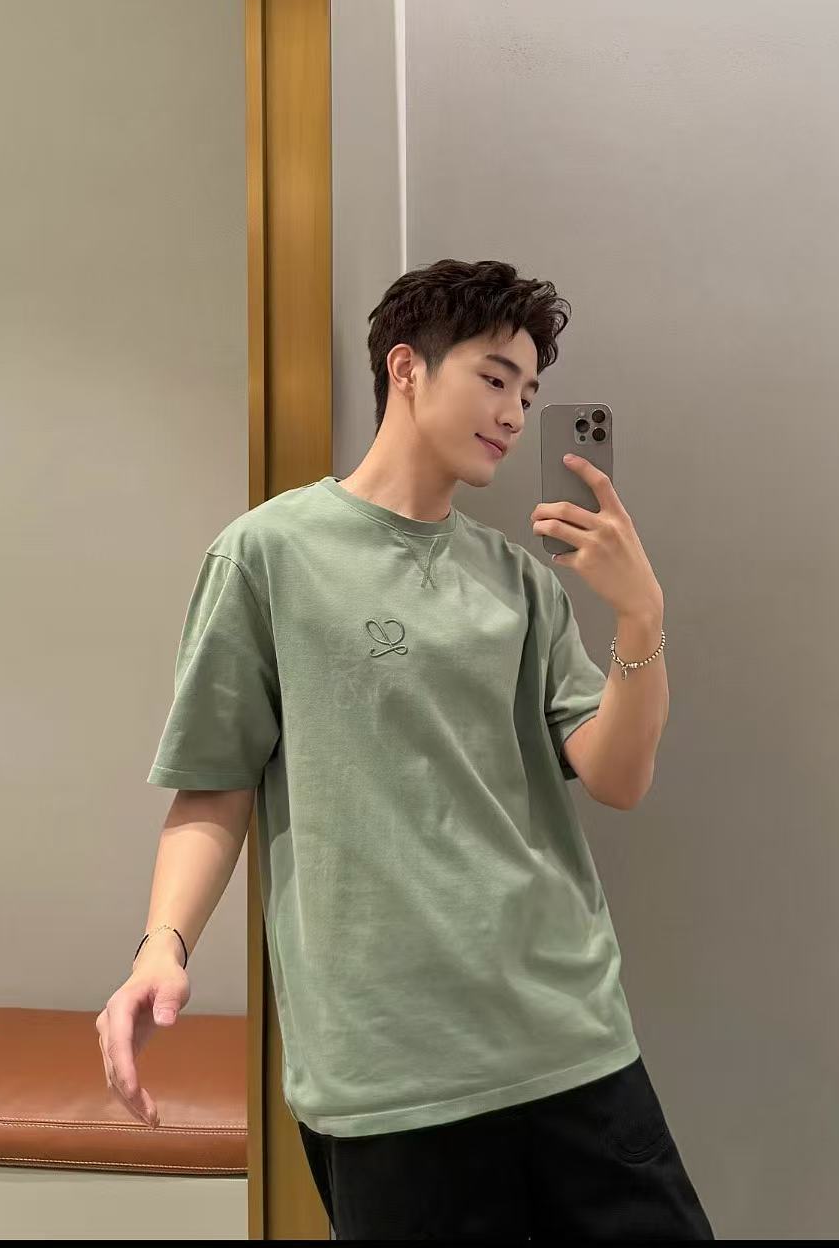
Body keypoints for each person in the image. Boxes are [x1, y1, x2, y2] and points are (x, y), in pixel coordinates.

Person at [125, 258, 715, 1239]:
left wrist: (639, 618)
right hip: (389, 1072)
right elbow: (213, 787)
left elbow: (617, 776)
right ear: (406, 368)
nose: (514, 412)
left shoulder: (519, 583)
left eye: (528, 391)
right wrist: (162, 947)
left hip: (569, 1042)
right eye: (494, 377)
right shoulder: (268, 555)